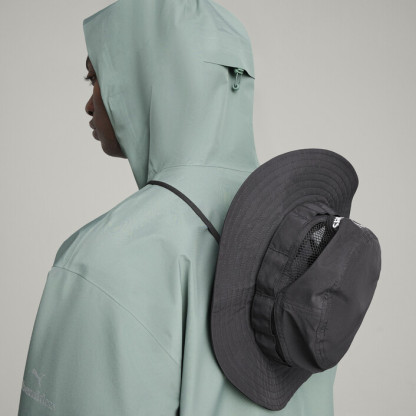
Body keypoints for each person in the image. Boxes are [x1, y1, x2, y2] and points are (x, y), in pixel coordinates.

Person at [18, 0, 336, 415]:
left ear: (144, 77)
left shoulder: (107, 257)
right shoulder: (309, 241)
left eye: (96, 77)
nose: (90, 103)